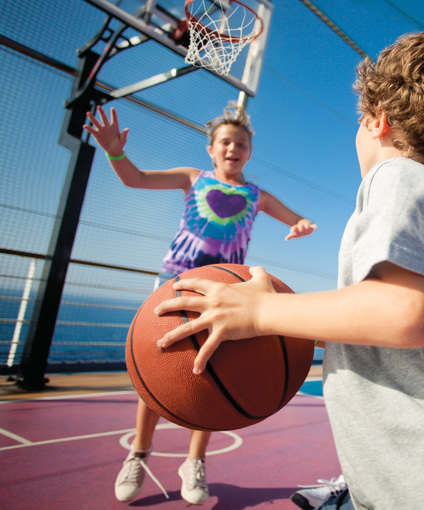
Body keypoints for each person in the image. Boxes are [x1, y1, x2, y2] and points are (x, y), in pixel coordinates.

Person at [156, 27, 424, 509]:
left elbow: (404, 314)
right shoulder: (422, 191)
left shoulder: (396, 177)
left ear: (379, 119)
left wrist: (261, 313)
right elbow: (397, 323)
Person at [83, 103, 317, 505]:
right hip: (176, 285)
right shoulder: (194, 179)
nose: (233, 148)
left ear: (249, 152)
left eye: (240, 143)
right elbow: (134, 178)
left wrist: (299, 225)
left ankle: (194, 461)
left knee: (210, 370)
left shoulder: (256, 195)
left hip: (227, 294)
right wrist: (114, 151)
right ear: (211, 149)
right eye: (225, 141)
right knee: (157, 365)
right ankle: (139, 453)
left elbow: (293, 217)